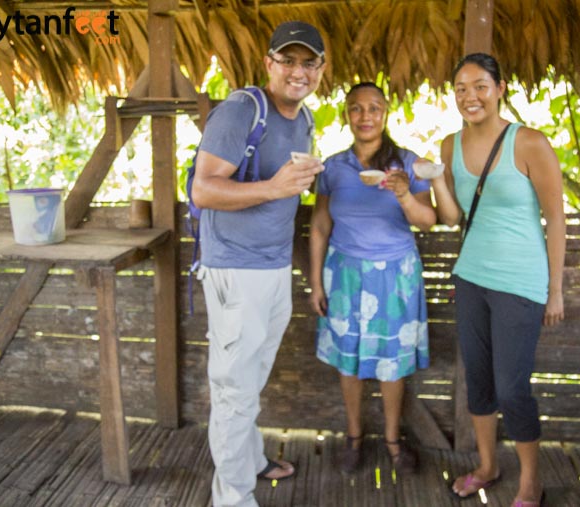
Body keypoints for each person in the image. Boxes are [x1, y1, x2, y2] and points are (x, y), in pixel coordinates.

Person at [190, 21, 326, 507]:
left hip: (271, 268)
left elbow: (286, 184)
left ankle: (250, 462)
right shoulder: (240, 111)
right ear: (268, 63)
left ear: (320, 69)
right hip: (235, 271)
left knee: (250, 379)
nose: (297, 71)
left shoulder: (304, 119)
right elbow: (203, 189)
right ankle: (232, 499)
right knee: (233, 389)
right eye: (287, 60)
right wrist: (275, 186)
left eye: (308, 62)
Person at [431, 53, 565, 507]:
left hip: (520, 282)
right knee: (480, 382)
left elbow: (556, 219)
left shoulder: (528, 143)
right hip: (471, 277)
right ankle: (488, 467)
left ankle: (531, 481)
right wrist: (432, 180)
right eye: (461, 89)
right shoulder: (449, 146)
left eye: (481, 86)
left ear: (501, 87)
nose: (471, 96)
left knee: (512, 388)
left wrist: (555, 291)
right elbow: (451, 218)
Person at [308, 82, 437, 474]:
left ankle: (394, 441)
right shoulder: (333, 167)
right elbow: (319, 226)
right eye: (356, 109)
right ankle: (354, 438)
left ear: (386, 113)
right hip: (345, 275)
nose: (365, 116)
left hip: (396, 275)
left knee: (392, 364)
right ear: (347, 114)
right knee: (349, 362)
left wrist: (403, 193)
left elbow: (428, 222)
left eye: (374, 108)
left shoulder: (409, 163)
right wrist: (316, 283)